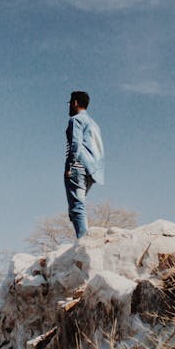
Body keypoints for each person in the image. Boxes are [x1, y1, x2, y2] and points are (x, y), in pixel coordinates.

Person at [64, 90, 104, 239]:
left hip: (78, 166)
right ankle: (83, 237)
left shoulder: (76, 120)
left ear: (74, 103)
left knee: (76, 205)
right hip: (93, 169)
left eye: (69, 103)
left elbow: (75, 144)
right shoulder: (94, 124)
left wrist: (69, 166)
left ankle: (83, 241)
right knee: (75, 207)